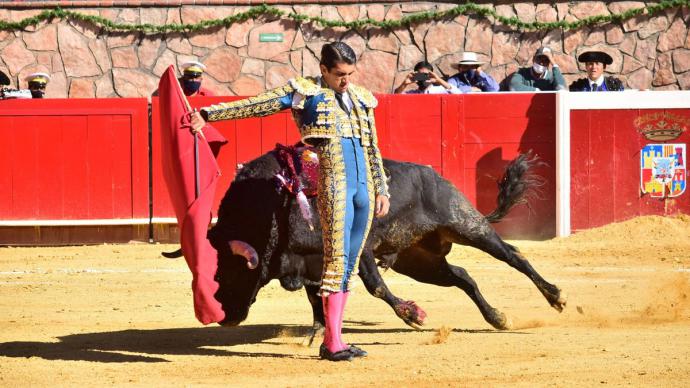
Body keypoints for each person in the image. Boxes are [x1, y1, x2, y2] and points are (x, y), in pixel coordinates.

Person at [192, 42, 390, 362]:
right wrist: (208, 113)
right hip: (335, 185)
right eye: (339, 74)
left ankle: (334, 339)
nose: (346, 81)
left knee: (349, 267)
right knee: (336, 263)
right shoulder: (305, 92)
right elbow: (259, 104)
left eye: (350, 74)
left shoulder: (361, 98)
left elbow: (372, 148)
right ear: (323, 69)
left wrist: (382, 188)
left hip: (363, 190)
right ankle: (334, 341)